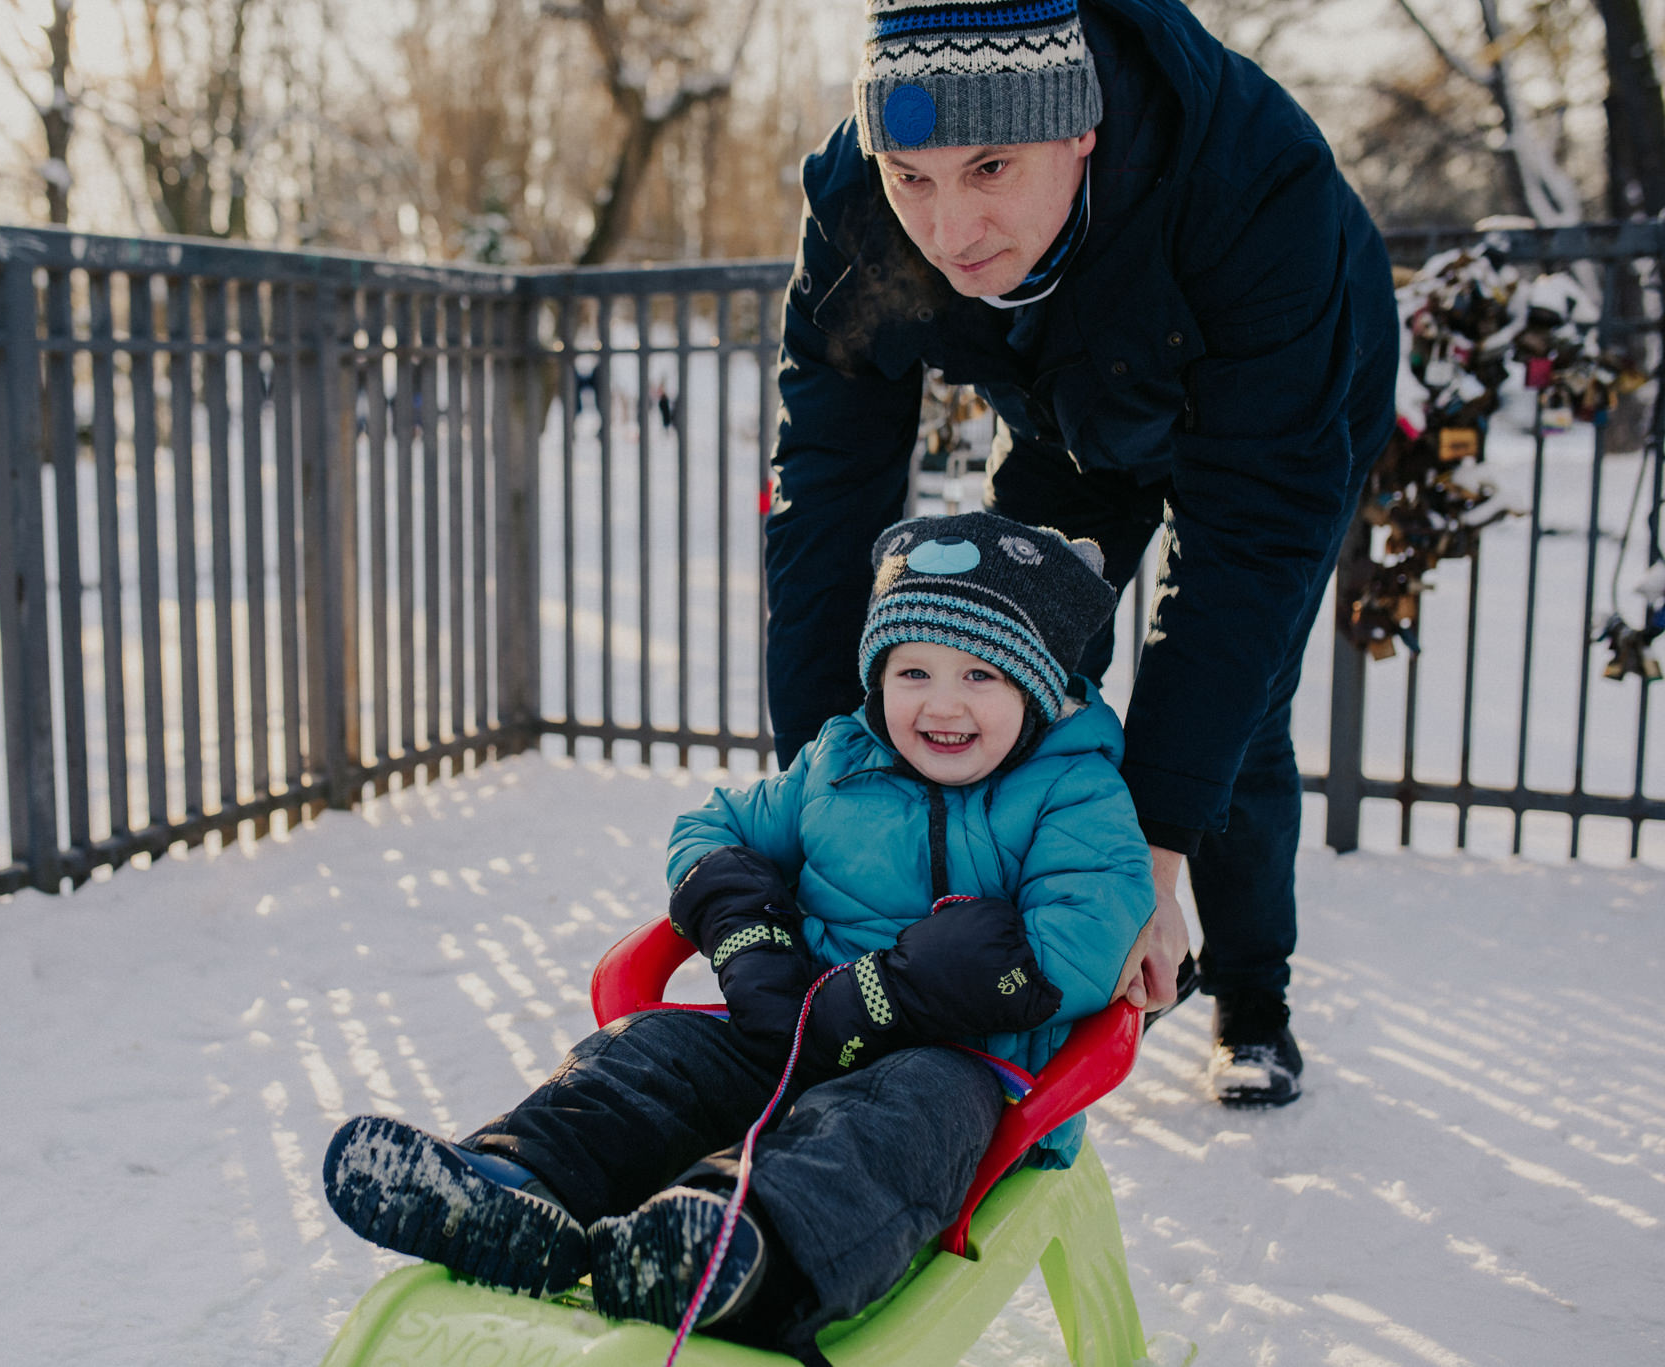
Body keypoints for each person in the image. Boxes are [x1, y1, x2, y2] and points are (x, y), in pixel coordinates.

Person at [322, 510, 1153, 1357]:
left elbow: (1090, 940)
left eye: (981, 675)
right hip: (795, 1027)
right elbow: (708, 831)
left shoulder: (1073, 794)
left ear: (1038, 687)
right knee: (650, 1052)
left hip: (963, 1066)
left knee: (889, 1121)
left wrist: (899, 989)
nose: (941, 703)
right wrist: (751, 939)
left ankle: (733, 1245)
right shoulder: (841, 761)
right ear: (877, 677)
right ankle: (515, 1182)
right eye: (913, 670)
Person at [765, 0, 1401, 1107]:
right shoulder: (861, 211)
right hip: (1072, 412)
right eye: (910, 175)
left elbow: (1248, 547)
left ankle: (1248, 992)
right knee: (999, 658)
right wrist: (824, 772)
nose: (948, 229)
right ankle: (1005, 951)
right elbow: (825, 496)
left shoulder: (1255, 187)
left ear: (1078, 127)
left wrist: (1154, 844)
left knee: (1235, 711)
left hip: (1278, 400)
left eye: (989, 166)